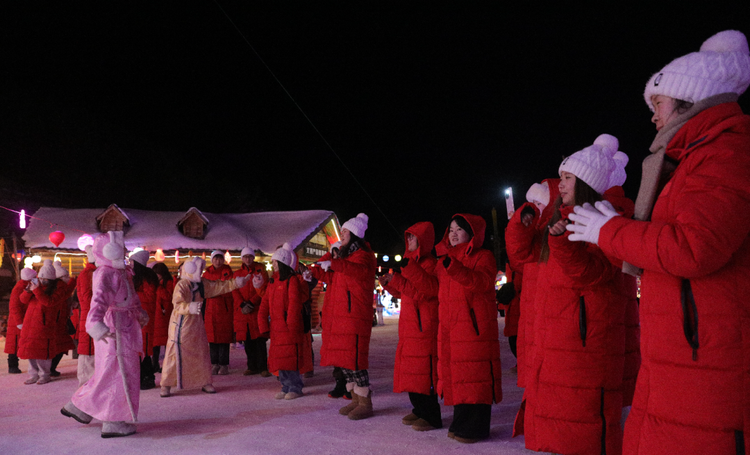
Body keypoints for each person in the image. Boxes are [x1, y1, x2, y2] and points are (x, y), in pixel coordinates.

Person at [566, 30, 750, 454]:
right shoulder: (692, 160)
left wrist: (610, 231)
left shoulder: (725, 153)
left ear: (691, 101)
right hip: (686, 351)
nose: (652, 116)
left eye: (658, 104)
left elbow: (692, 247)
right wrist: (613, 228)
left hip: (708, 355)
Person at [516, 135, 634, 455]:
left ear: (585, 182)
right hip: (561, 335)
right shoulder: (563, 216)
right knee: (562, 420)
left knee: (581, 425)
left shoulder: (605, 217)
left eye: (567, 177)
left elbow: (595, 274)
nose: (561, 183)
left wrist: (563, 245)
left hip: (584, 337)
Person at [61, 231, 149, 438]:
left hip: (121, 326)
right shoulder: (106, 273)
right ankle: (113, 421)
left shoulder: (121, 272)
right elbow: (98, 301)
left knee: (109, 370)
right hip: (114, 329)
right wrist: (95, 325)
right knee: (120, 372)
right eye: (122, 247)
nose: (126, 251)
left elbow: (129, 298)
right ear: (111, 250)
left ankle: (81, 407)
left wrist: (138, 312)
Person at [434, 214, 503, 443]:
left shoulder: (483, 256)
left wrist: (454, 268)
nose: (453, 233)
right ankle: (460, 421)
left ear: (472, 233)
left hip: (474, 329)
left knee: (475, 376)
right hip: (452, 329)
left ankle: (476, 427)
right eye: (450, 229)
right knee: (459, 377)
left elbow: (482, 282)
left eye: (459, 229)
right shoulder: (444, 261)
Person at [308, 213, 377, 420]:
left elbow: (358, 271)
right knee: (346, 361)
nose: (342, 234)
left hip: (354, 316)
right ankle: (356, 399)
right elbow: (320, 270)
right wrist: (330, 255)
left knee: (356, 361)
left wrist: (336, 262)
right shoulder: (344, 258)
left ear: (355, 234)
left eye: (345, 232)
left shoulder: (364, 256)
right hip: (341, 317)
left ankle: (365, 401)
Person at [380, 221, 441, 431]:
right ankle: (419, 410)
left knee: (425, 371)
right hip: (410, 326)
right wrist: (389, 284)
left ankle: (431, 415)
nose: (409, 241)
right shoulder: (410, 263)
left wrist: (401, 278)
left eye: (413, 237)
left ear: (423, 240)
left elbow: (426, 292)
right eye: (408, 237)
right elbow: (405, 292)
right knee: (412, 370)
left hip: (425, 325)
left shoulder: (431, 264)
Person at [159, 256, 247, 398]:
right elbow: (177, 303)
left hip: (196, 323)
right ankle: (166, 384)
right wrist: (189, 307)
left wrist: (236, 283)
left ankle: (204, 381)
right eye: (198, 269)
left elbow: (218, 286)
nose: (200, 272)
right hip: (181, 323)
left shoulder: (201, 284)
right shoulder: (181, 285)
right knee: (175, 353)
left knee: (200, 351)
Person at [505, 178, 559, 390]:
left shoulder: (558, 227)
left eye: (540, 204)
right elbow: (518, 257)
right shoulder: (533, 232)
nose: (536, 209)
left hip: (550, 302)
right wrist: (518, 224)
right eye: (533, 204)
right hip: (530, 301)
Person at [257, 243, 313, 399]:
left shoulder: (292, 280)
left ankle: (295, 387)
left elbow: (294, 306)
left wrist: (291, 327)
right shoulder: (273, 283)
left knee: (290, 358)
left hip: (288, 329)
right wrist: (263, 325)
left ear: (281, 262)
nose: (272, 264)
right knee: (280, 359)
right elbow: (264, 305)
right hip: (276, 328)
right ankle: (285, 385)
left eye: (274, 262)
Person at [17, 260, 74, 385]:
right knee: (30, 350)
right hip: (30, 323)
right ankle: (33, 374)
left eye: (44, 278)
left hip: (44, 324)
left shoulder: (58, 289)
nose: (42, 280)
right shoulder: (36, 286)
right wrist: (27, 290)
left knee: (43, 352)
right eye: (40, 277)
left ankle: (45, 374)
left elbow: (49, 302)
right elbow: (22, 300)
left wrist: (37, 290)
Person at [232, 247, 270, 377]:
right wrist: (242, 303)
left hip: (256, 309)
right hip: (243, 312)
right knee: (248, 341)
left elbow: (263, 288)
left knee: (259, 340)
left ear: (253, 257)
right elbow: (234, 289)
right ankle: (252, 366)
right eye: (245, 257)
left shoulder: (260, 271)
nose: (248, 259)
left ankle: (263, 366)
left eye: (250, 256)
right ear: (242, 258)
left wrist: (252, 302)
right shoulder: (237, 274)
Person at [129, 250, 158, 390]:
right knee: (139, 349)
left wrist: (134, 295)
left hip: (144, 318)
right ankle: (141, 377)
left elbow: (150, 298)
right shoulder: (137, 277)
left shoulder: (147, 278)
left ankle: (148, 377)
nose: (130, 264)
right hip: (138, 318)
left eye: (132, 262)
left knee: (144, 350)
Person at [203, 250, 235, 375]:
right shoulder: (206, 274)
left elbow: (227, 288)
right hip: (210, 309)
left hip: (224, 308)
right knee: (212, 339)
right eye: (215, 259)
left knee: (223, 338)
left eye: (220, 258)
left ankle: (224, 364)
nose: (218, 261)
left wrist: (214, 291)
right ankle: (214, 363)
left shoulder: (227, 272)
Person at [5, 268, 35, 374]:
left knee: (17, 343)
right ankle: (12, 366)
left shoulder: (25, 286)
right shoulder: (20, 288)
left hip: (22, 320)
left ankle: (14, 366)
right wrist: (19, 322)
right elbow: (14, 306)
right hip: (17, 321)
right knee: (14, 344)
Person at [75, 245, 97, 386]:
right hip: (91, 316)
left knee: (92, 350)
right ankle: (85, 383)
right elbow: (88, 298)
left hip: (93, 316)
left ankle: (90, 382)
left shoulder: (93, 272)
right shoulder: (88, 274)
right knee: (88, 351)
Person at [151, 262, 174, 373]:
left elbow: (168, 297)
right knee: (156, 342)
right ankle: (155, 364)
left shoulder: (168, 283)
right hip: (157, 315)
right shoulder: (158, 283)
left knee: (165, 341)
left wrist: (159, 287)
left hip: (164, 316)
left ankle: (167, 364)